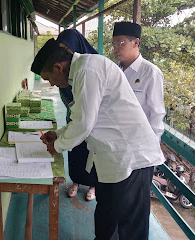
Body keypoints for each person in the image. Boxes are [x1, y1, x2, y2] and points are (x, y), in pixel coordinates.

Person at [31, 38, 165, 240]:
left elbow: (84, 123)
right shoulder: (81, 74)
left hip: (132, 158)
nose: (50, 84)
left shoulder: (88, 69)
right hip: (111, 159)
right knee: (106, 214)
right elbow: (81, 118)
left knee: (131, 226)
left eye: (48, 78)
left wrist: (57, 146)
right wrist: (58, 134)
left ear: (58, 67)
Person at [56, 29, 99, 200]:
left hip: (94, 123)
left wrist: (57, 145)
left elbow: (89, 112)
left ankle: (93, 186)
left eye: (67, 48)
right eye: (61, 49)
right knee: (76, 153)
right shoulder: (63, 72)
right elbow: (67, 99)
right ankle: (76, 182)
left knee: (93, 154)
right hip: (73, 118)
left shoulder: (91, 67)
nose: (65, 53)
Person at [112, 22, 166, 142]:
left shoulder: (151, 73)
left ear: (136, 42)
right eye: (113, 44)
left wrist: (152, 144)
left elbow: (157, 114)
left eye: (120, 43)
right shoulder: (115, 71)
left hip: (140, 142)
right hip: (116, 140)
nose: (115, 49)